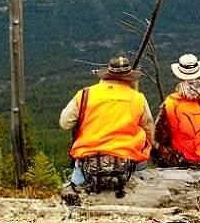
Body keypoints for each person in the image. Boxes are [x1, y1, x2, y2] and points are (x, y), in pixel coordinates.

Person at [60, 56, 154, 199]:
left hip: (89, 161)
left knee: (75, 182)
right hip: (127, 161)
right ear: (129, 77)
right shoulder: (138, 98)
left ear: (107, 75)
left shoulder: (85, 94)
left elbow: (65, 123)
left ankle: (76, 191)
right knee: (141, 160)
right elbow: (148, 127)